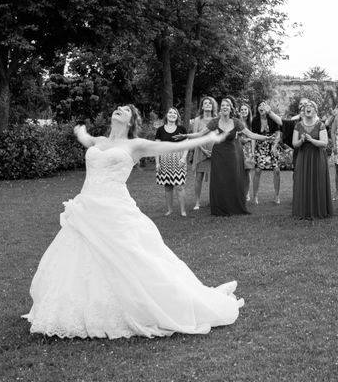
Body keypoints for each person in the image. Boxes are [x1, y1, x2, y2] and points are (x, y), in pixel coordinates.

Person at [23, 105, 243, 338]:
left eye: (125, 110)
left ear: (130, 121)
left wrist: (207, 138)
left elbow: (171, 146)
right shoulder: (98, 140)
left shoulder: (135, 145)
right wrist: (81, 133)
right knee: (78, 258)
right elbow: (87, 140)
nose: (119, 109)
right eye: (117, 108)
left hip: (116, 212)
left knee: (134, 260)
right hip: (86, 209)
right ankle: (74, 308)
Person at [181, 97, 272, 216]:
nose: (225, 107)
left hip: (233, 154)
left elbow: (250, 134)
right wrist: (185, 135)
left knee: (233, 178)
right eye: (223, 105)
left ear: (231, 109)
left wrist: (266, 138)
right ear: (220, 108)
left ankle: (234, 205)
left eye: (227, 105)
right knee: (220, 180)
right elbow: (200, 134)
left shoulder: (236, 122)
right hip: (218, 154)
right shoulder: (215, 122)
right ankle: (220, 206)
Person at [292, 100, 333, 219]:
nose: (308, 108)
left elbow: (324, 143)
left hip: (317, 157)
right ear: (303, 111)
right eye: (306, 107)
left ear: (315, 110)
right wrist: (301, 141)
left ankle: (317, 210)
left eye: (311, 106)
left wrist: (311, 140)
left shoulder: (320, 125)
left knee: (317, 181)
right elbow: (294, 144)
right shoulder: (298, 125)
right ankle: (304, 211)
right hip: (303, 158)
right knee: (303, 182)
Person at [155, 107, 188, 217]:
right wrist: (157, 163)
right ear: (166, 115)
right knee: (168, 187)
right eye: (170, 112)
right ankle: (170, 210)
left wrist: (184, 158)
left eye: (175, 113)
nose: (172, 114)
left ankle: (183, 211)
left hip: (179, 160)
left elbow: (186, 145)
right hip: (164, 161)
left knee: (180, 186)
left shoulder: (182, 129)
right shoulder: (160, 130)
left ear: (177, 116)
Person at [251, 101, 282, 205]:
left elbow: (278, 133)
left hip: (272, 145)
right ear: (257, 108)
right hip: (260, 146)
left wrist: (274, 146)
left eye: (263, 105)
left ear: (267, 107)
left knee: (277, 170)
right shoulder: (255, 120)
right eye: (259, 105)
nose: (261, 107)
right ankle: (255, 196)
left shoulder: (272, 119)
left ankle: (277, 196)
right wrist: (252, 151)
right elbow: (253, 136)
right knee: (258, 170)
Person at [190, 96, 217, 210]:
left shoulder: (217, 118)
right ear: (202, 106)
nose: (207, 105)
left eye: (209, 103)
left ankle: (214, 201)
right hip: (201, 150)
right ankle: (197, 202)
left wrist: (213, 150)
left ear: (212, 106)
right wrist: (204, 150)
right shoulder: (197, 120)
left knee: (215, 177)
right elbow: (195, 137)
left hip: (215, 150)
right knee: (199, 177)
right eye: (205, 103)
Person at [238, 103, 255, 201]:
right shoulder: (237, 122)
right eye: (242, 109)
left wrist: (252, 152)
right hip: (238, 148)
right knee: (239, 172)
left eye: (245, 109)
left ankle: (247, 193)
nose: (243, 111)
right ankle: (239, 192)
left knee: (247, 172)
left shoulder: (251, 123)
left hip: (248, 150)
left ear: (248, 111)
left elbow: (253, 138)